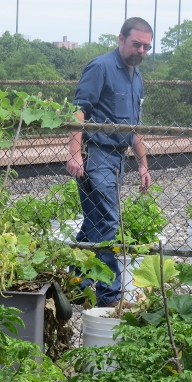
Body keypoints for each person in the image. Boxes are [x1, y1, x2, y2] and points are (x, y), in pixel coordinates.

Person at [66, 17, 153, 308]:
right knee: (107, 224)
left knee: (93, 223)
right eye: (136, 44)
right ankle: (110, 296)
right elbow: (79, 112)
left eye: (146, 47)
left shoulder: (136, 78)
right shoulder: (101, 67)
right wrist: (74, 153)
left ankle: (75, 285)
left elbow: (134, 128)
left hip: (118, 157)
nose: (141, 51)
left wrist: (143, 164)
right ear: (121, 39)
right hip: (97, 154)